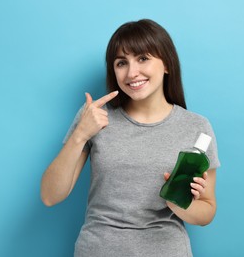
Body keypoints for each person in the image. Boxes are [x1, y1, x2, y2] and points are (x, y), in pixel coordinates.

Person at [40, 19, 220, 257]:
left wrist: (178, 203)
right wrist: (80, 135)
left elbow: (207, 210)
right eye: (121, 63)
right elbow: (50, 196)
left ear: (166, 64)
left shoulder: (197, 127)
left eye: (143, 58)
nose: (132, 72)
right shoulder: (94, 117)